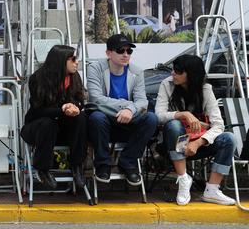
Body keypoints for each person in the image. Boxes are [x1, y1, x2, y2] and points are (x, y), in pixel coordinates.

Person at [155, 54, 236, 206]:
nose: (173, 73)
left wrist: (198, 143)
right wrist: (184, 114)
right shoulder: (167, 84)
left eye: (178, 71)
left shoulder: (205, 89)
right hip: (173, 144)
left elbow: (218, 124)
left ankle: (212, 189)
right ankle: (184, 178)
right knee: (174, 124)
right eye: (173, 69)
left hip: (198, 143)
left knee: (229, 138)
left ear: (191, 74)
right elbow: (158, 116)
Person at [86, 34, 158, 186]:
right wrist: (127, 106)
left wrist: (130, 110)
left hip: (127, 121)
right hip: (103, 122)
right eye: (120, 51)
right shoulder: (95, 68)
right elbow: (96, 98)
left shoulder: (136, 71)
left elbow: (142, 101)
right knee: (97, 117)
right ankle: (103, 164)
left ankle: (128, 162)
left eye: (129, 51)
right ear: (108, 53)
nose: (125, 54)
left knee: (151, 119)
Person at [20, 45, 87, 191]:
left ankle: (77, 165)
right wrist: (62, 109)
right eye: (73, 59)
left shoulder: (75, 77)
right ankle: (43, 169)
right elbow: (38, 110)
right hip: (37, 129)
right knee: (47, 124)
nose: (77, 62)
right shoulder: (38, 78)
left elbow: (80, 100)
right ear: (61, 61)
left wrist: (75, 108)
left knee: (80, 118)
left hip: (62, 130)